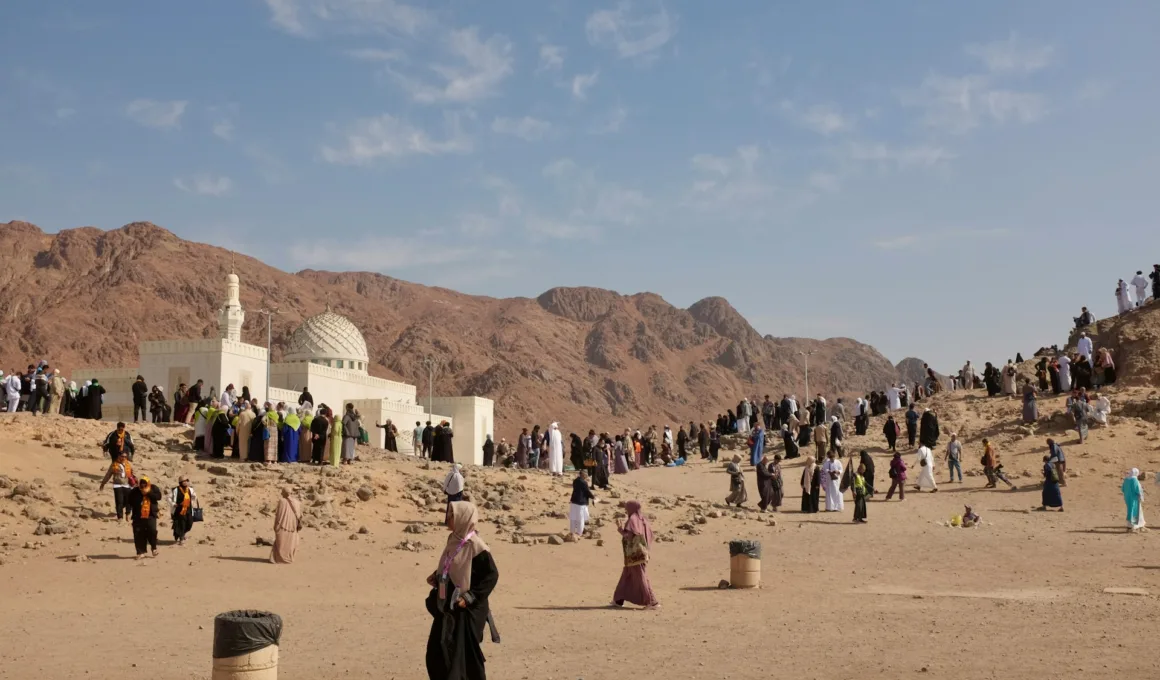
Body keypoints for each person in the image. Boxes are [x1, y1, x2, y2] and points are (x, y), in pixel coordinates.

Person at [425, 502, 499, 680]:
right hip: (449, 606)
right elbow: (454, 566)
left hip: (467, 610)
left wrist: (471, 597)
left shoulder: (476, 546)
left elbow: (491, 576)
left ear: (463, 518)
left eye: (452, 514)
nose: (448, 518)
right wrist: (438, 576)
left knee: (464, 657)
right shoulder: (454, 539)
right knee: (436, 653)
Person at [613, 500, 660, 609]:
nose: (625, 510)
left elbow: (629, 536)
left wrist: (620, 530)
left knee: (640, 576)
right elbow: (651, 536)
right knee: (627, 575)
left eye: (627, 508)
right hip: (642, 553)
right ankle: (618, 600)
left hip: (635, 555)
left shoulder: (633, 519)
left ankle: (652, 602)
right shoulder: (643, 520)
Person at [126, 476, 162, 559]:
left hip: (151, 515)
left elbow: (158, 497)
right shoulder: (135, 491)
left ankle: (154, 548)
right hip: (138, 516)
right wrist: (127, 512)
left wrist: (148, 492)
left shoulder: (153, 488)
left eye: (145, 485)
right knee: (138, 533)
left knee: (152, 531)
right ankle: (140, 552)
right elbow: (129, 502)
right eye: (141, 485)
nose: (143, 487)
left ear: (148, 484)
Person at [99, 453, 135, 521]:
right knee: (119, 501)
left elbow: (132, 474)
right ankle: (120, 517)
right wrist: (103, 483)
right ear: (119, 456)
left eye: (125, 456)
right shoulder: (114, 464)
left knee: (129, 501)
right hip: (117, 485)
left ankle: (127, 513)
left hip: (127, 485)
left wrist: (136, 482)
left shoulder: (128, 464)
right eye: (122, 456)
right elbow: (108, 474)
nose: (124, 458)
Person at [271, 488, 302, 564]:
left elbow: (278, 515)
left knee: (281, 543)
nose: (281, 494)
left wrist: (276, 525)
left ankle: (279, 559)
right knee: (290, 543)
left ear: (285, 493)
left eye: (282, 492)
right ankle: (288, 558)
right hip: (293, 526)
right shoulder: (297, 502)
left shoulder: (282, 501)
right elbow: (300, 515)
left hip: (282, 525)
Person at [170, 476, 198, 545]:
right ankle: (181, 538)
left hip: (188, 509)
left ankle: (182, 533)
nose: (185, 482)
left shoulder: (190, 489)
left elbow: (194, 496)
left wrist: (194, 496)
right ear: (180, 482)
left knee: (189, 523)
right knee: (181, 524)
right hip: (179, 510)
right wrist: (174, 504)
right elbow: (169, 498)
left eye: (186, 481)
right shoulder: (175, 490)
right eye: (184, 481)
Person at [569, 470, 595, 538]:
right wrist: (593, 497)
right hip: (580, 503)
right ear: (583, 475)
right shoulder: (584, 482)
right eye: (586, 475)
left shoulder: (575, 481)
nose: (586, 476)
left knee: (573, 517)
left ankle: (572, 532)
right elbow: (587, 492)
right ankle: (579, 533)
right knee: (581, 518)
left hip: (574, 501)